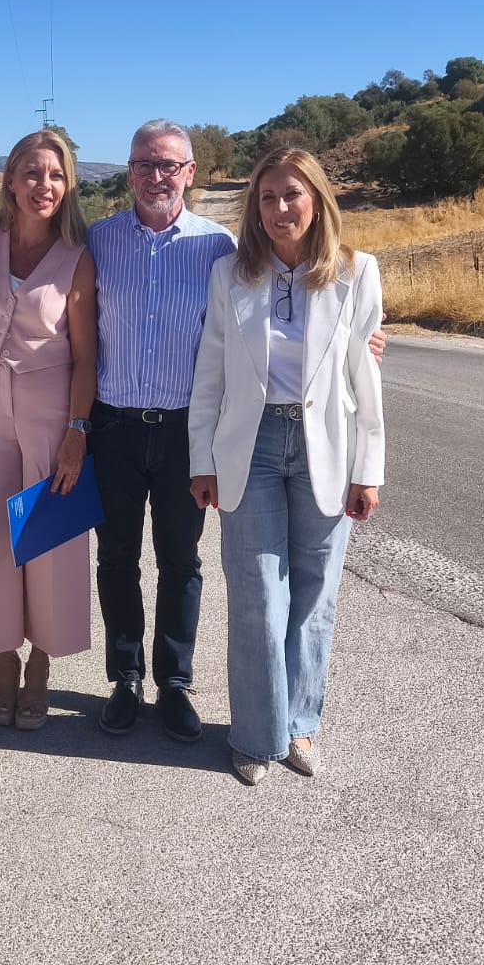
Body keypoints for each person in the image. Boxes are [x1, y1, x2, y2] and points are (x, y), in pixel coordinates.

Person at [187, 145, 386, 786]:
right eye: (267, 198)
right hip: (253, 446)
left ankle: (299, 726)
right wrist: (202, 460)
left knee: (315, 594)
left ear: (317, 200)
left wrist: (369, 468)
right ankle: (255, 733)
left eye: (291, 195)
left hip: (328, 445)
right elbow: (210, 375)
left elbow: (365, 380)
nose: (278, 209)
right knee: (257, 597)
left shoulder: (357, 273)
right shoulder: (231, 276)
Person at [86, 119, 238, 742]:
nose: (158, 176)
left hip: (185, 434)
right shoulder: (97, 241)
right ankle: (125, 678)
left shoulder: (219, 247)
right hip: (113, 428)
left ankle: (174, 684)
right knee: (116, 557)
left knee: (181, 560)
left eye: (170, 165)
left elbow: (257, 333)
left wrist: (360, 335)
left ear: (190, 173)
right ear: (129, 173)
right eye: (146, 164)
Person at [0, 129, 97, 731]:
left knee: (47, 538)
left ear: (67, 186)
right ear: (10, 180)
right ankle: (3, 661)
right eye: (34, 173)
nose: (45, 186)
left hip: (51, 408)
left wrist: (77, 431)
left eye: (57, 175)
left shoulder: (78, 256)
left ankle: (42, 661)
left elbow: (88, 357)